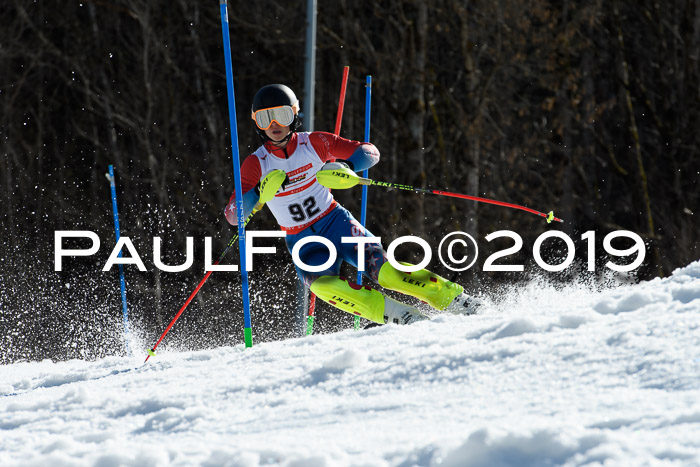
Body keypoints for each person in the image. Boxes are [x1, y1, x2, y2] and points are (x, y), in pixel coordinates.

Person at [225, 84, 479, 325]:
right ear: (255, 122)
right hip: (302, 240)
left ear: (294, 113)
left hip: (337, 223)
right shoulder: (256, 164)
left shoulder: (314, 143)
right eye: (264, 118)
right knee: (324, 286)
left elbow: (370, 152)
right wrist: (257, 193)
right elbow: (233, 215)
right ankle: (401, 316)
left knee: (387, 273)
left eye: (281, 115)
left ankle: (454, 299)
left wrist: (348, 167)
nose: (274, 125)